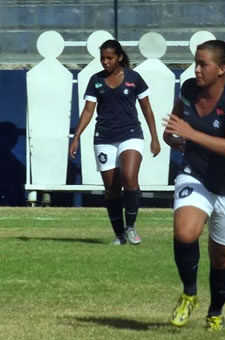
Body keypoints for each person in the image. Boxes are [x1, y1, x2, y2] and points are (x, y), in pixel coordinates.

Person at [163, 40, 225, 331]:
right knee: (185, 232)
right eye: (196, 62)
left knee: (222, 257)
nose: (197, 69)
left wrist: (192, 134)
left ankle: (215, 313)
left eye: (203, 64)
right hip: (196, 174)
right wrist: (174, 138)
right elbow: (172, 132)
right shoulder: (188, 89)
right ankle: (189, 293)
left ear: (222, 69)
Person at [69, 39, 160, 245]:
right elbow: (88, 110)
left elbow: (147, 109)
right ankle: (119, 234)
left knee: (129, 178)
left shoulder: (134, 78)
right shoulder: (96, 80)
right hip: (104, 138)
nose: (105, 62)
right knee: (111, 188)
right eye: (102, 58)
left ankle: (131, 227)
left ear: (119, 57)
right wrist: (76, 136)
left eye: (109, 58)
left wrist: (154, 137)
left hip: (131, 135)